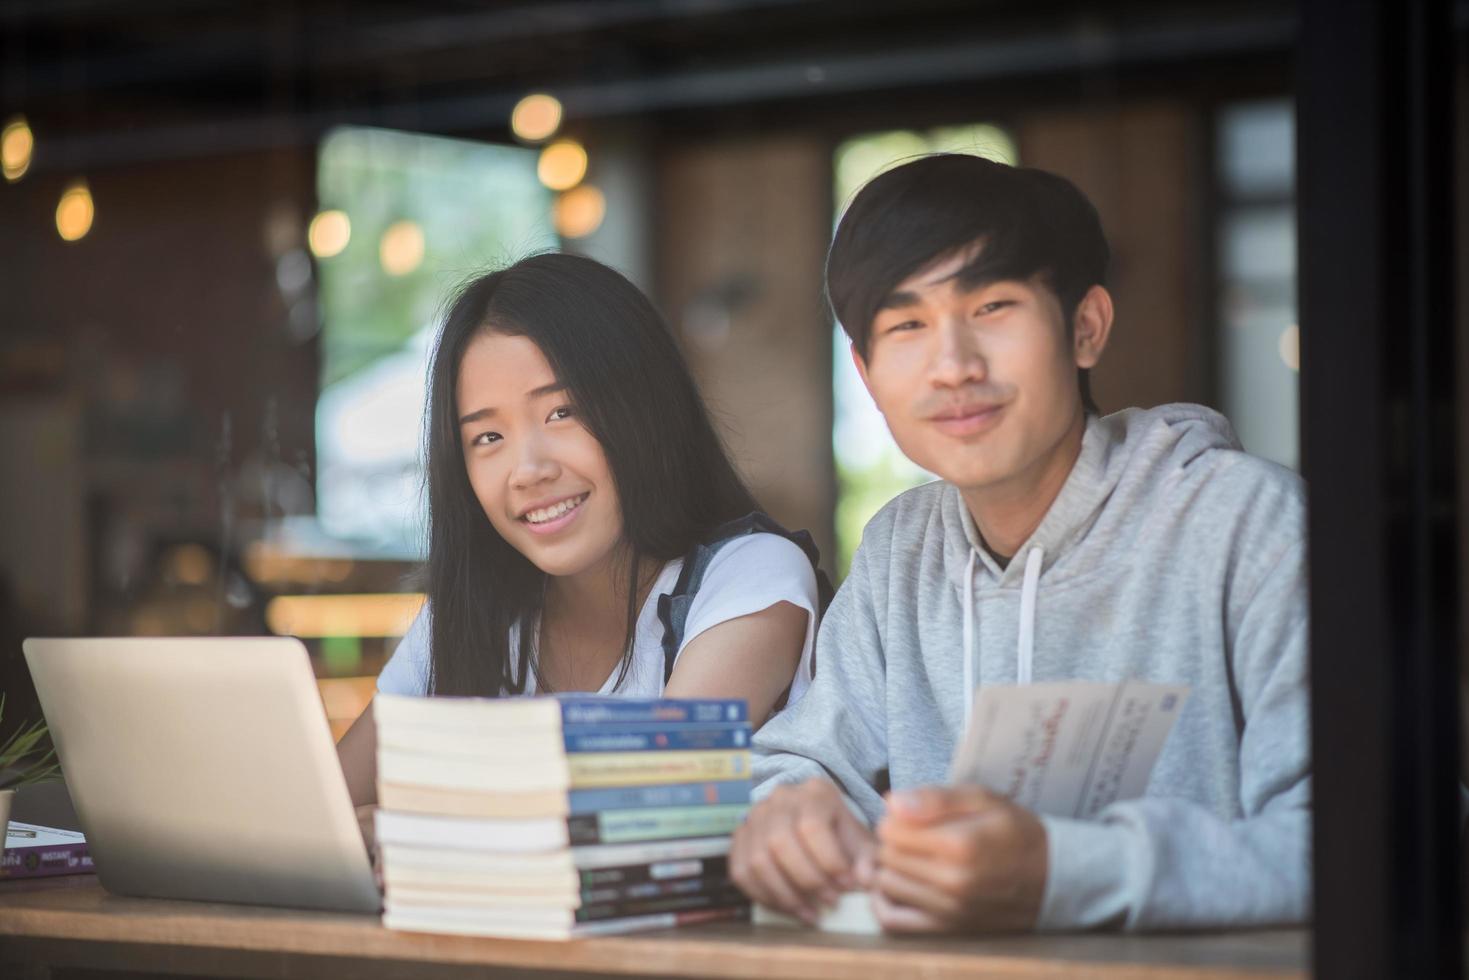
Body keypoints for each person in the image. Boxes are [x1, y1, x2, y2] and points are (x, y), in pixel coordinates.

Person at [731, 154, 1309, 933]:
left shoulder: (1249, 523)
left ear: (1084, 327)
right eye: (906, 325)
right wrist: (786, 820)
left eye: (992, 306)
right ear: (866, 376)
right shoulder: (899, 551)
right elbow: (807, 768)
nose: (952, 367)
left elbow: (1378, 833)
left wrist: (1060, 872)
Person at [336, 253, 827, 814]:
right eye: (488, 438)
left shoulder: (750, 577)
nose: (529, 470)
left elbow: (650, 802)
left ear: (643, 408)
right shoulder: (468, 614)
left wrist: (402, 828)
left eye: (562, 412)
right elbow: (319, 818)